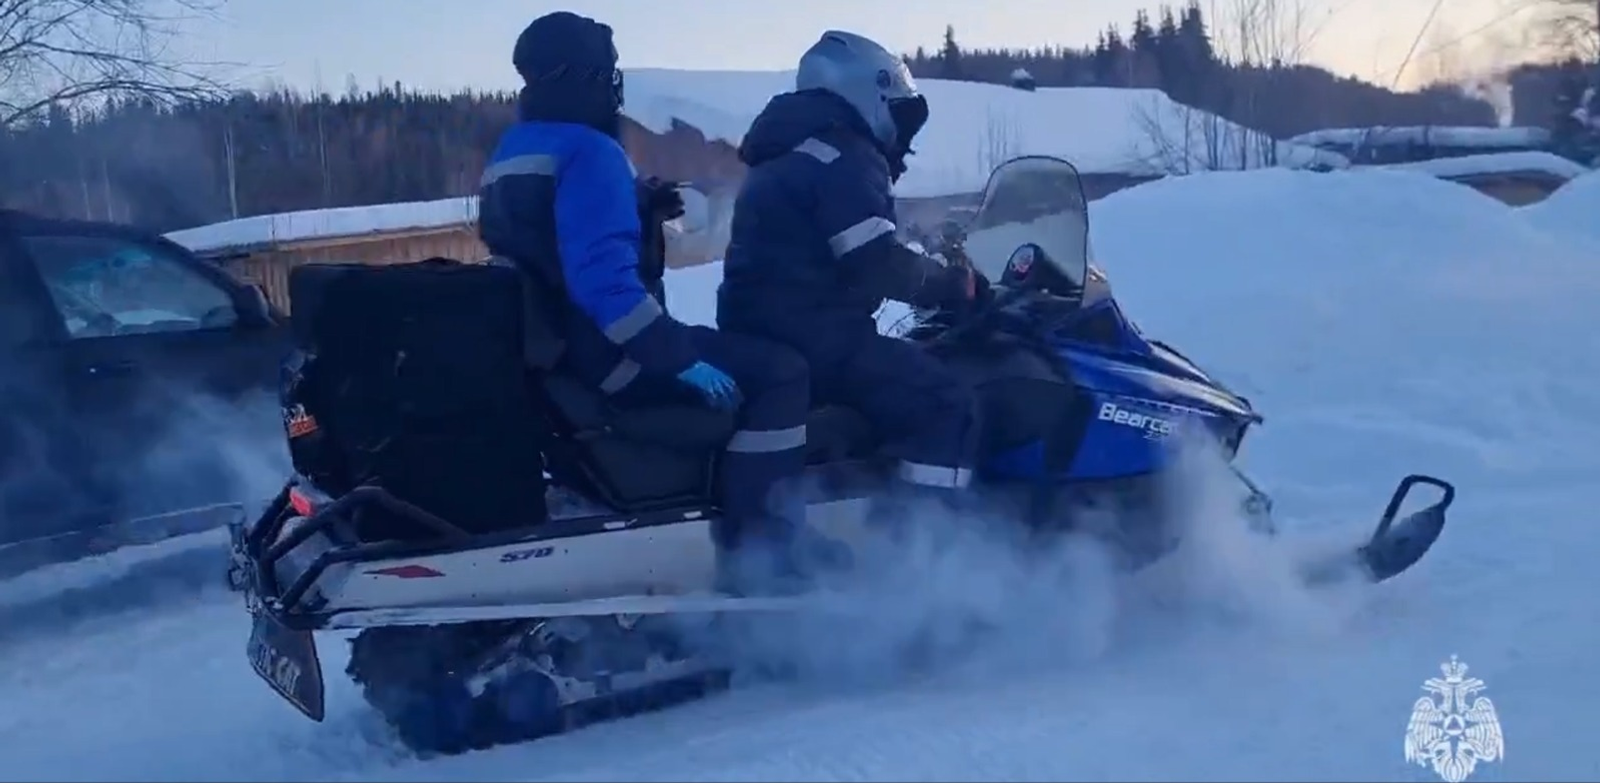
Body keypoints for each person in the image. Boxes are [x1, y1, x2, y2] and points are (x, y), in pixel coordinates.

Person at [477, 11, 818, 589]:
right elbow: (602, 285)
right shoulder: (592, 151)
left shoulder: (514, 151)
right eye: (607, 72)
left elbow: (545, 244)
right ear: (587, 76)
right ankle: (765, 556)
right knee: (782, 373)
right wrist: (677, 359)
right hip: (610, 357)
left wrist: (637, 205)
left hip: (560, 354)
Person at [718, 30, 989, 510]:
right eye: (897, 112)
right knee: (945, 400)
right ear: (870, 93)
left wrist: (926, 241)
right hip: (817, 336)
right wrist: (952, 284)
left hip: (764, 328)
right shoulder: (843, 152)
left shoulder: (786, 149)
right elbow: (875, 263)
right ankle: (926, 537)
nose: (900, 131)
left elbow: (844, 237)